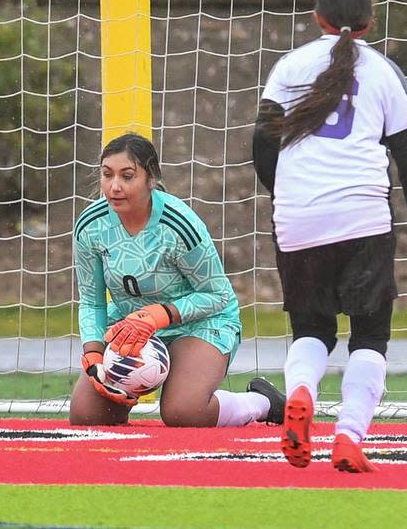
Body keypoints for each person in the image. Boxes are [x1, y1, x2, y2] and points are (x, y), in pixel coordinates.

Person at [252, 0, 407, 472]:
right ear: (370, 20)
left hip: (298, 218)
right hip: (361, 218)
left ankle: (298, 393)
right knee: (370, 335)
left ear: (317, 18)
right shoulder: (383, 72)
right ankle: (349, 435)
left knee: (310, 328)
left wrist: (289, 196)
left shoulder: (288, 67)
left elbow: (261, 146)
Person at [70, 132, 286, 428]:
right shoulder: (90, 226)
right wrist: (94, 354)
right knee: (87, 417)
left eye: (127, 176)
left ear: (151, 179)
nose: (114, 186)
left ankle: (264, 402)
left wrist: (160, 315)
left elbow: (218, 295)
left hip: (200, 323)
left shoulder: (179, 225)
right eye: (107, 175)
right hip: (132, 328)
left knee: (184, 413)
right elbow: (92, 300)